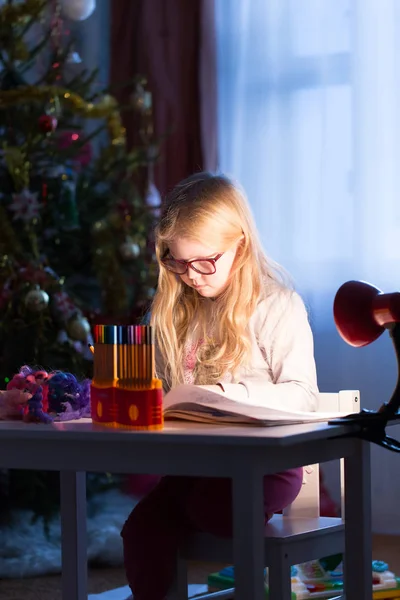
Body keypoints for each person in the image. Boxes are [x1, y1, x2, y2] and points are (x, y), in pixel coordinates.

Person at [121, 172, 319, 600]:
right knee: (140, 530)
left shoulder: (275, 305)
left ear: (240, 246)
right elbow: (163, 391)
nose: (191, 275)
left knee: (211, 508)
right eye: (177, 262)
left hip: (265, 468)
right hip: (196, 465)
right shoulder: (178, 312)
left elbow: (303, 394)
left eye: (204, 261)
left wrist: (231, 398)